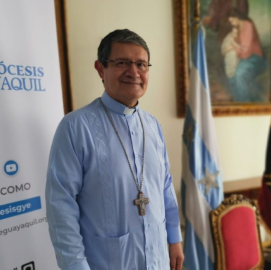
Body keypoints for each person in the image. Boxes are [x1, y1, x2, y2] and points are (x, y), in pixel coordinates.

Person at [46, 29, 184, 270]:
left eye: (141, 64)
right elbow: (61, 208)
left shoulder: (152, 125)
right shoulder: (75, 127)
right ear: (101, 69)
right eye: (122, 63)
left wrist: (174, 238)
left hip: (159, 259)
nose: (134, 72)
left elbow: (165, 186)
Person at [227, 8, 267, 102]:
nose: (231, 23)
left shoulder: (248, 25)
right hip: (244, 57)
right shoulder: (237, 29)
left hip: (255, 57)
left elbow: (246, 51)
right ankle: (239, 102)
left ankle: (245, 102)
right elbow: (238, 47)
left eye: (232, 20)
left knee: (240, 74)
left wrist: (234, 49)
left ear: (237, 17)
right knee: (231, 75)